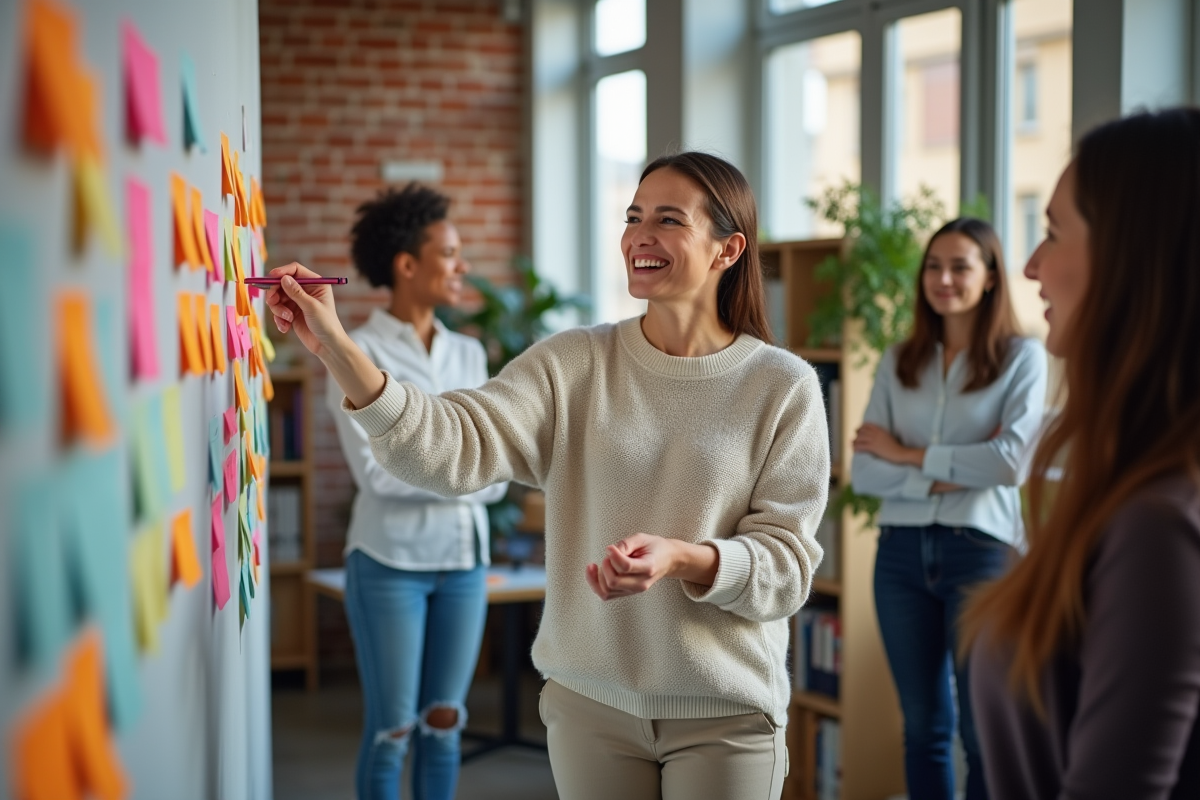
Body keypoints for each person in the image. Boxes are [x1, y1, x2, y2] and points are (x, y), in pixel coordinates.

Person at [266, 151, 830, 799]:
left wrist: (684, 558)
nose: (639, 236)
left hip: (725, 712)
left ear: (727, 250)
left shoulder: (780, 387)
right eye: (633, 216)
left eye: (668, 219)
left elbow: (785, 571)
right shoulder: (574, 364)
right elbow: (450, 447)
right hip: (591, 705)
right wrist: (334, 345)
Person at [963, 108, 1200, 798]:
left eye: (1054, 233)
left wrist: (918, 459)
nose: (1031, 265)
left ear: (1137, 259)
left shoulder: (1158, 522)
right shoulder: (1139, 490)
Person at [851, 217, 1047, 800]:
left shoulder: (1022, 358)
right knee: (924, 730)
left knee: (985, 731)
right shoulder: (897, 360)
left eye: (960, 266)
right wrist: (954, 470)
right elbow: (865, 470)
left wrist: (908, 456)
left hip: (983, 555)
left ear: (990, 277)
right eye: (934, 266)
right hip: (900, 558)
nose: (943, 278)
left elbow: (1012, 464)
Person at [328, 184, 508, 800]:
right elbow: (376, 476)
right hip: (388, 565)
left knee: (445, 725)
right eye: (450, 253)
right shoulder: (357, 352)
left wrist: (454, 469)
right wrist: (465, 473)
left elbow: (496, 467)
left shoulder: (468, 353)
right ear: (407, 265)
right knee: (393, 731)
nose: (462, 267)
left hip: (462, 566)